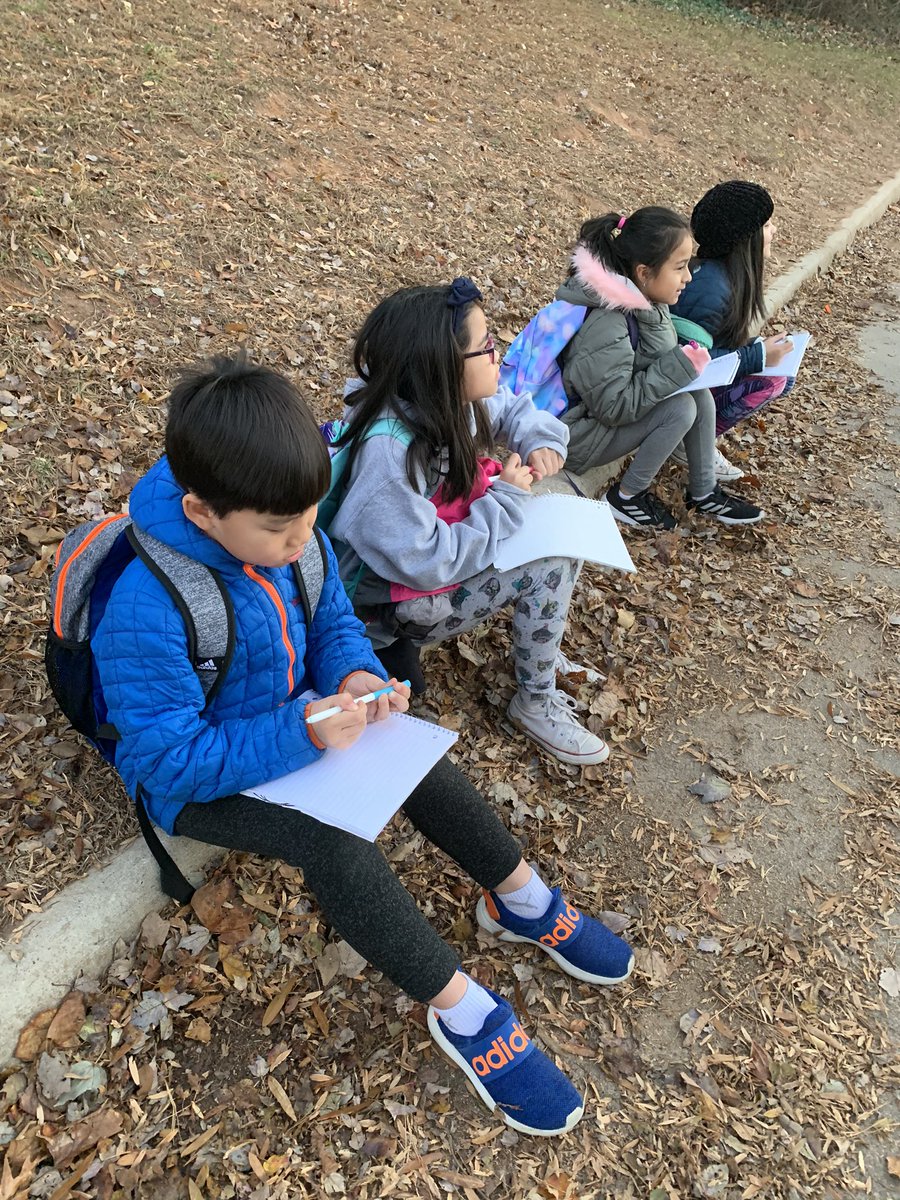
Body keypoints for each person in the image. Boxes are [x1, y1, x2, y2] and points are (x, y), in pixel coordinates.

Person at [90, 355, 634, 1137]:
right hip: (199, 782)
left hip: (297, 724)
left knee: (416, 759)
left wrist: (355, 675)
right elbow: (162, 760)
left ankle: (521, 898)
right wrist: (298, 731)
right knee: (337, 843)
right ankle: (465, 1012)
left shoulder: (291, 533)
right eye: (279, 530)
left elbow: (333, 622)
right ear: (202, 513)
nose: (299, 540)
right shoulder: (149, 604)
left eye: (309, 517)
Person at [328, 278, 612, 768]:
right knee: (549, 563)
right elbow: (429, 563)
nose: (498, 354)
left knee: (561, 532)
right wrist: (504, 501)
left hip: (423, 567)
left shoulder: (444, 402)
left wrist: (541, 439)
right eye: (486, 346)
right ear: (440, 365)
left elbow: (513, 409)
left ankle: (542, 641)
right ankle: (534, 701)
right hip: (387, 608)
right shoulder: (388, 457)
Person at [550, 207, 764, 530]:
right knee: (680, 408)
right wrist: (676, 368)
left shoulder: (648, 302)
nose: (688, 277)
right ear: (644, 272)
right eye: (679, 267)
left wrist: (681, 366)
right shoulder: (607, 322)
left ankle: (704, 491)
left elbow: (650, 363)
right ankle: (626, 498)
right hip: (577, 435)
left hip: (599, 422)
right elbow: (613, 406)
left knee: (699, 395)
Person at [671, 180, 794, 480]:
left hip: (688, 383)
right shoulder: (711, 289)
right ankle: (690, 442)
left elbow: (713, 342)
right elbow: (691, 359)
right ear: (744, 239)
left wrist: (758, 346)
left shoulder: (721, 276)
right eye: (767, 225)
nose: (774, 231)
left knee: (784, 373)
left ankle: (695, 437)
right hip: (675, 392)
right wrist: (757, 356)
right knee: (773, 379)